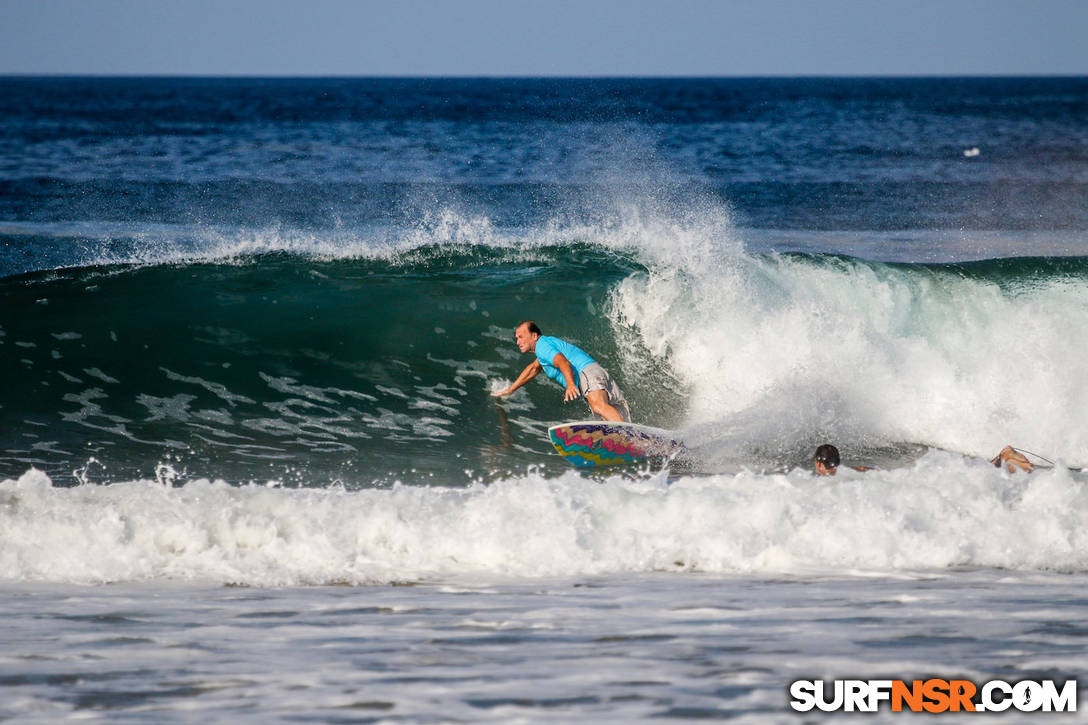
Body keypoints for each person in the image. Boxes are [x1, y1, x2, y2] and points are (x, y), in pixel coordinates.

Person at [491, 321, 631, 423]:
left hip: (587, 374)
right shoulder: (544, 349)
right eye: (516, 338)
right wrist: (510, 389)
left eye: (521, 337)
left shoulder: (542, 346)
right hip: (595, 372)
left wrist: (570, 385)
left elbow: (562, 361)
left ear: (534, 336)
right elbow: (533, 369)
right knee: (609, 419)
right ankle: (638, 443)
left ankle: (625, 439)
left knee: (598, 406)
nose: (517, 342)